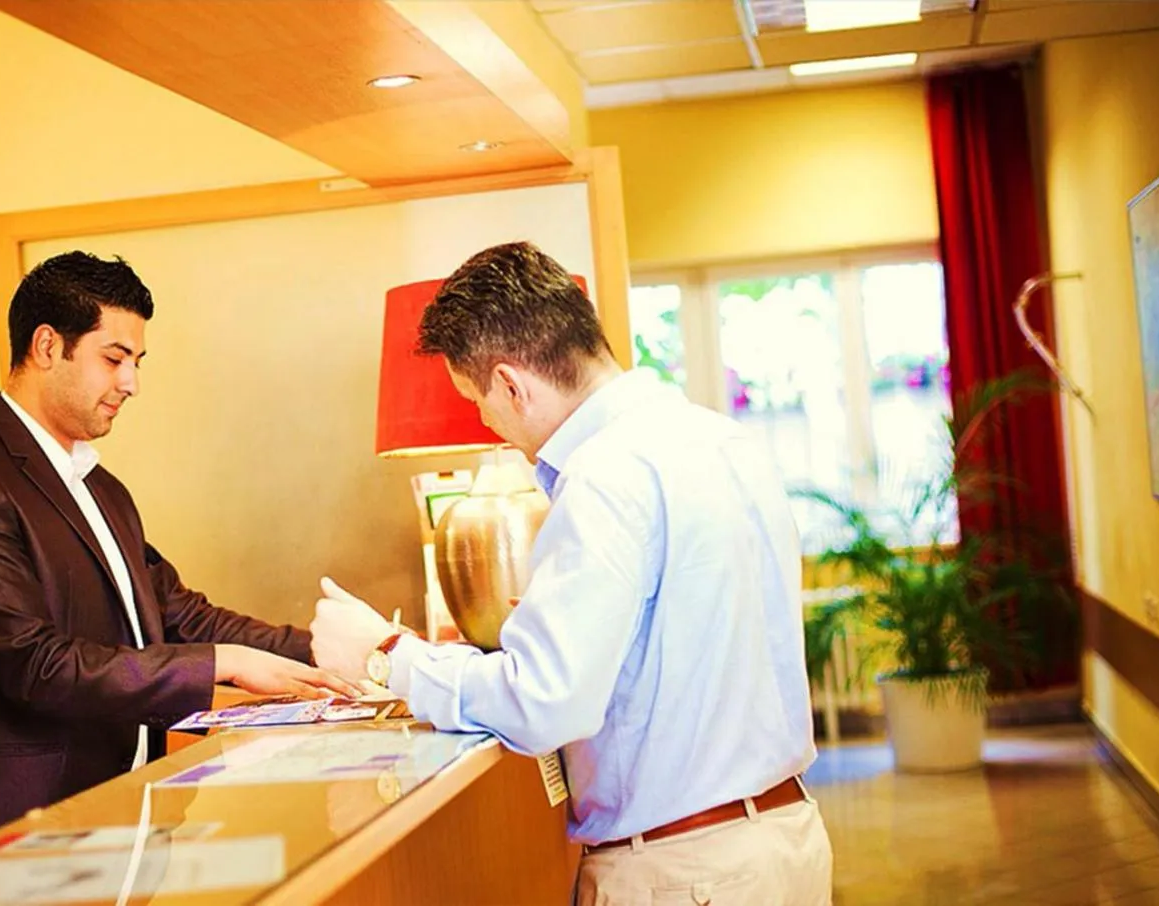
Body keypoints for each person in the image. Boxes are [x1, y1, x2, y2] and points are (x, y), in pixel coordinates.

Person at [309, 241, 833, 904]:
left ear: (509, 383)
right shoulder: (721, 439)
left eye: (478, 402)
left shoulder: (604, 478)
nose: (488, 423)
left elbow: (544, 701)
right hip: (783, 840)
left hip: (685, 871)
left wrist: (386, 654)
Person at [0, 251, 354, 825]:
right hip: (35, 824)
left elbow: (179, 615)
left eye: (137, 361)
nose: (131, 383)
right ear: (46, 347)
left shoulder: (101, 486)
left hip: (133, 808)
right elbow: (32, 665)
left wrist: (325, 649)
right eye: (114, 359)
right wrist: (217, 665)